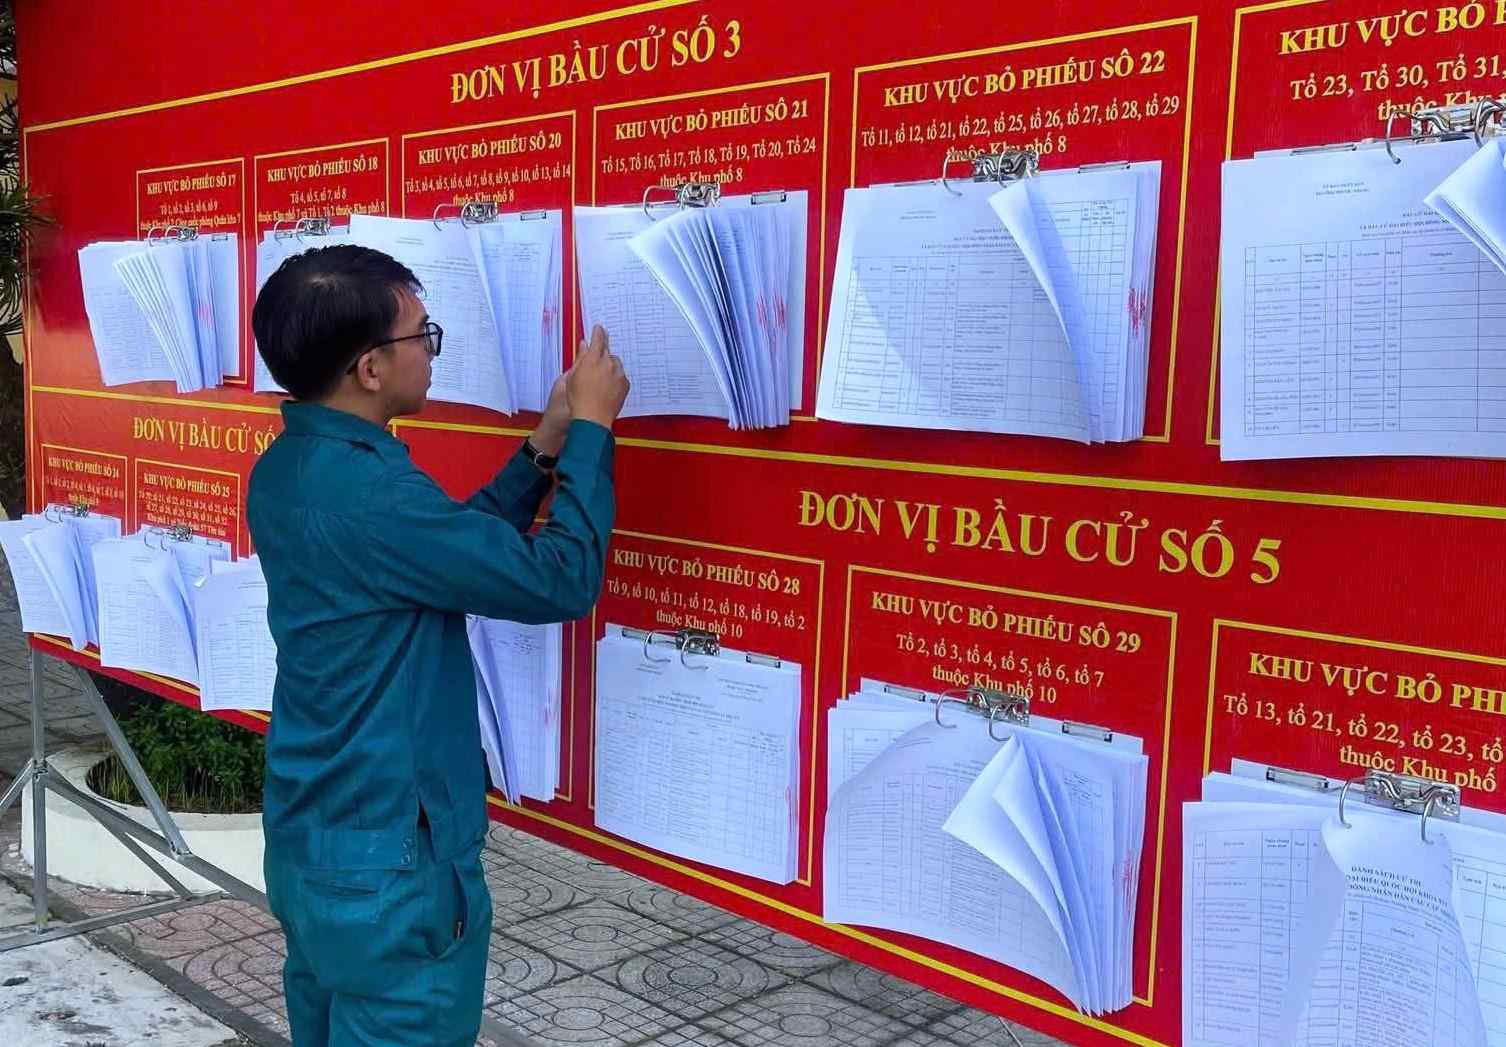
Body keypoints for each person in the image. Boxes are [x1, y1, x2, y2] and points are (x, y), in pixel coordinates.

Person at [246, 243, 628, 1046]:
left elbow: (440, 557)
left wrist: (544, 447)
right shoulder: (374, 493)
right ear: (371, 369)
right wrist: (594, 429)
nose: (431, 351)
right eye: (424, 335)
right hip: (392, 874)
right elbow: (558, 579)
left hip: (314, 847)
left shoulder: (289, 468)